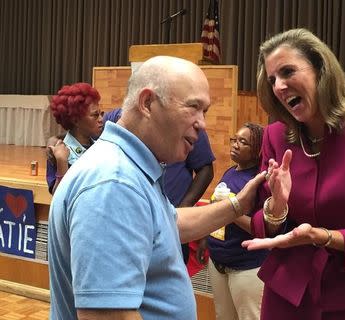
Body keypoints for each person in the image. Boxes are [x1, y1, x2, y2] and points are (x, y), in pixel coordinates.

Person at [47, 56, 273, 320]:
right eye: (193, 107)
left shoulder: (129, 168)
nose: (202, 123)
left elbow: (172, 222)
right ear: (147, 103)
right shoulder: (115, 184)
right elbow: (107, 315)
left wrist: (238, 205)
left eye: (205, 111)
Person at [241, 28, 345, 319]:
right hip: (286, 294)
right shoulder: (275, 136)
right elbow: (261, 225)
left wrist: (321, 236)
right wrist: (275, 210)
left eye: (287, 72)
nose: (279, 86)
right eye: (272, 80)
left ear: (320, 69)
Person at [103, 107, 216, 264]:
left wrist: (184, 207)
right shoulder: (119, 116)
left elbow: (205, 169)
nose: (201, 120)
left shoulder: (188, 125)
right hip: (128, 224)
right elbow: (91, 134)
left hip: (171, 223)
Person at [207, 122, 266, 320]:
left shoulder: (259, 182)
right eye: (235, 139)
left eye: (243, 142)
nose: (235, 145)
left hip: (246, 268)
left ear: (257, 150)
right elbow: (215, 212)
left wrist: (230, 209)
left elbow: (260, 229)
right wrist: (203, 241)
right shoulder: (231, 172)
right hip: (218, 262)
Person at [46, 82, 104, 194]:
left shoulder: (101, 146)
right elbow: (58, 197)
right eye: (95, 115)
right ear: (76, 120)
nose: (101, 119)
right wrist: (62, 163)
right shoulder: (57, 152)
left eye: (101, 113)